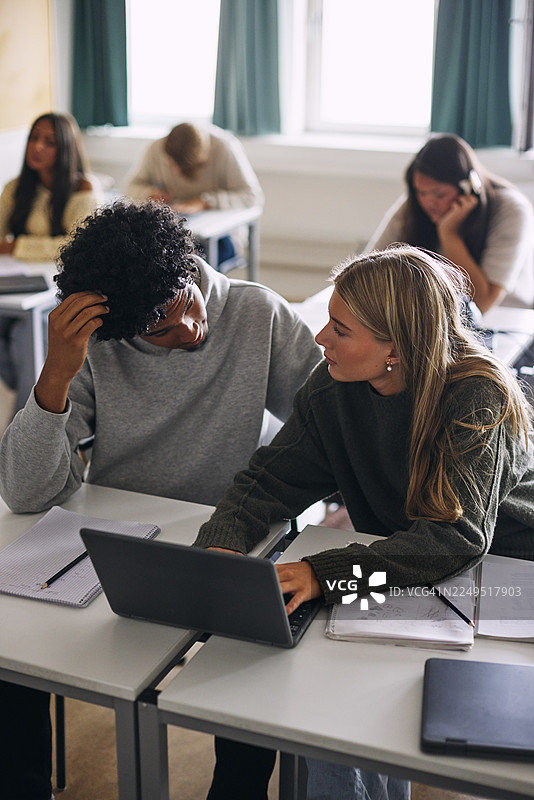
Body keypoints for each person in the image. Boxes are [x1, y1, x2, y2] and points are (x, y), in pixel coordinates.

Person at [0, 200, 321, 800]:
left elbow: (332, 422)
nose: (191, 331)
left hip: (230, 534)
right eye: (161, 330)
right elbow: (26, 493)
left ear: (187, 268)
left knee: (254, 655)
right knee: (8, 648)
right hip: (121, 538)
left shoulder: (256, 314)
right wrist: (56, 375)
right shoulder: (100, 345)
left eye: (187, 304)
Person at [194, 245, 534, 799]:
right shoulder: (334, 389)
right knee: (318, 693)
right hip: (405, 565)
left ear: (394, 348)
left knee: (350, 702)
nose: (320, 338)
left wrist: (326, 572)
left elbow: (456, 539)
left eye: (340, 329)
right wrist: (223, 548)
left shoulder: (477, 397)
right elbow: (266, 483)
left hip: (503, 580)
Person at [0, 111, 102, 414]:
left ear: (66, 148)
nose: (38, 147)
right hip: (19, 289)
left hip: (61, 293)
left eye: (50, 142)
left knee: (23, 337)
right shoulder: (16, 188)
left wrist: (18, 245)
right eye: (34, 138)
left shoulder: (83, 189)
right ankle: (26, 399)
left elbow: (76, 247)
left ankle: (23, 431)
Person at [366, 134, 534, 313]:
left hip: (508, 321)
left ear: (469, 188)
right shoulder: (414, 204)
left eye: (439, 194)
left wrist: (449, 235)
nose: (429, 203)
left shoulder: (512, 210)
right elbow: (368, 271)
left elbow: (481, 304)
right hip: (438, 319)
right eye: (421, 192)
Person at [125, 121, 264, 263]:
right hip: (170, 232)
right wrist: (151, 194)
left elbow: (251, 196)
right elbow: (132, 187)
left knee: (190, 261)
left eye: (183, 167)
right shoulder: (156, 149)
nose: (176, 172)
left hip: (221, 236)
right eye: (172, 164)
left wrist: (206, 202)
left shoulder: (224, 148)